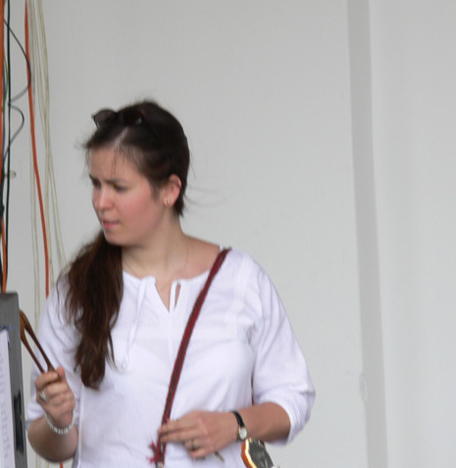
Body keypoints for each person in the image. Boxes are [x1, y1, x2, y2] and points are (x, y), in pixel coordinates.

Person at [26, 100, 314, 467]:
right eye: (96, 184)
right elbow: (49, 442)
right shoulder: (78, 290)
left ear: (169, 190)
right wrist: (58, 420)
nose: (100, 202)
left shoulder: (240, 278)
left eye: (118, 187)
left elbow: (293, 398)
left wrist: (235, 424)